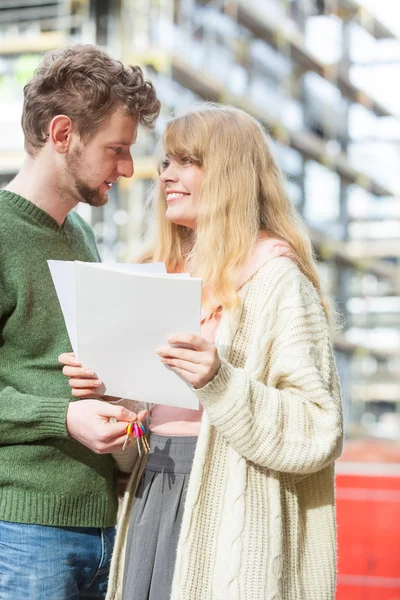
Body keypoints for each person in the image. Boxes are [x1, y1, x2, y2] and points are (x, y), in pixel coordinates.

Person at [60, 104, 343, 600]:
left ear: (231, 175)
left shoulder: (277, 280)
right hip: (154, 493)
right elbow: (137, 449)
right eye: (167, 162)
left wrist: (219, 381)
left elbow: (319, 429)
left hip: (232, 511)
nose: (166, 175)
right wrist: (114, 401)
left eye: (186, 161)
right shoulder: (155, 274)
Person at [0, 44, 160, 600]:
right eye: (117, 149)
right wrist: (64, 417)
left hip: (100, 524)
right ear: (63, 132)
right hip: (21, 531)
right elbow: (56, 405)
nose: (128, 168)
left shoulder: (83, 238)